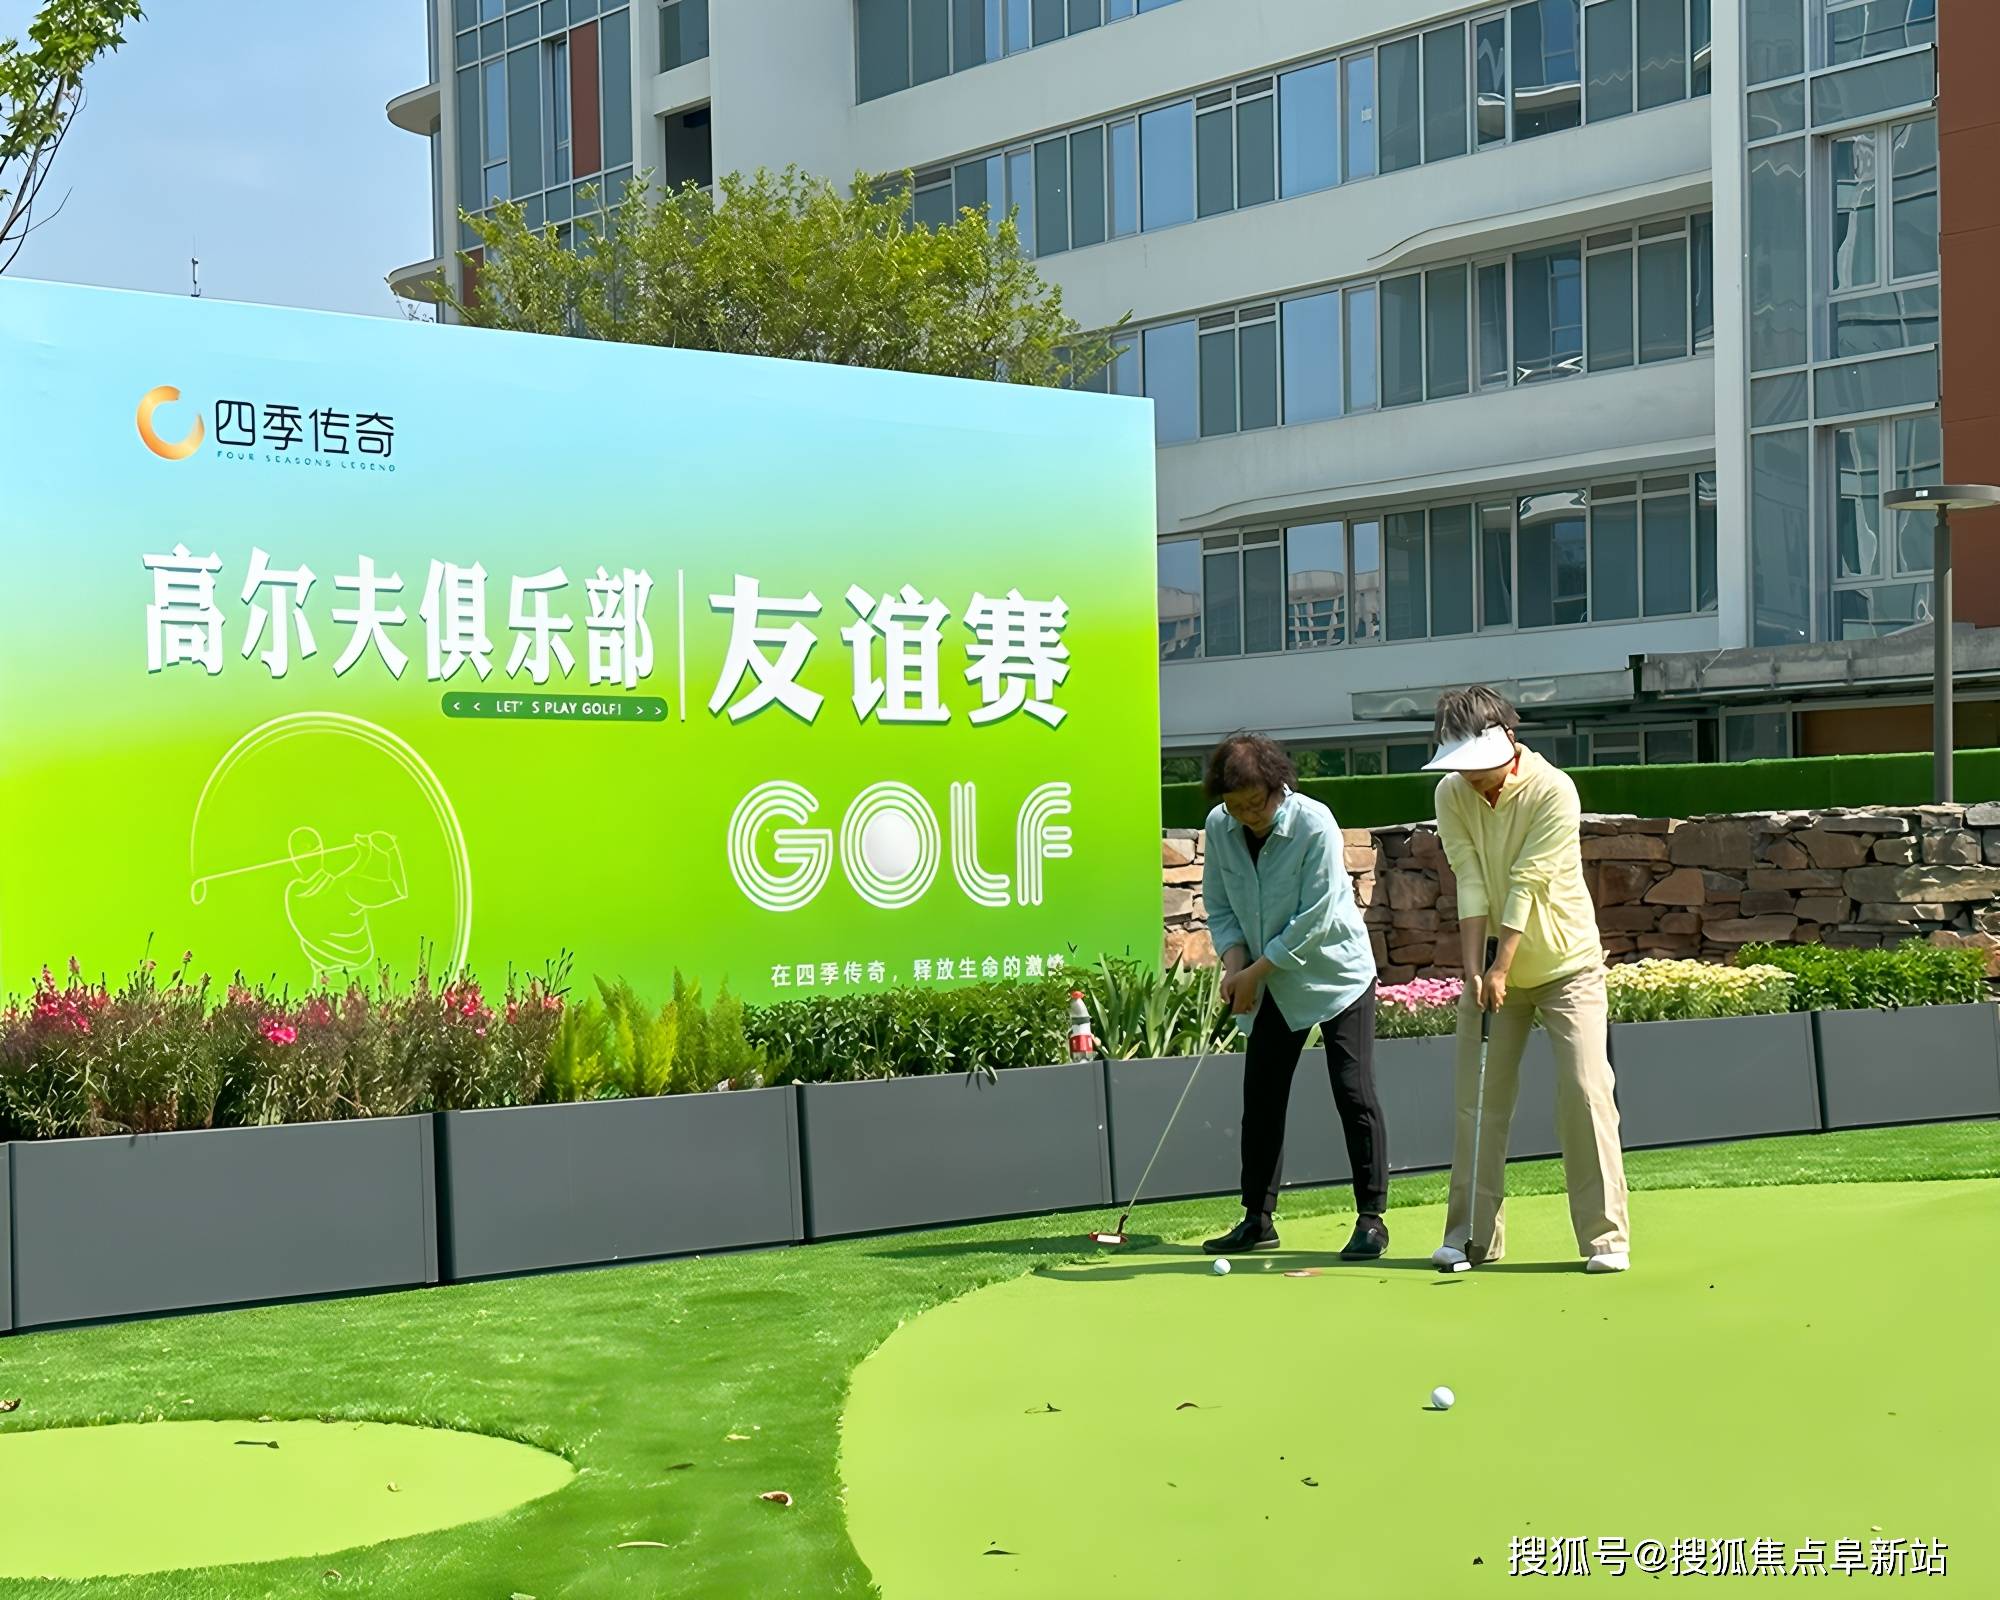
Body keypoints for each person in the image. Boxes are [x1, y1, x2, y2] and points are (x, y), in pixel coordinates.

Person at [1424, 687, 1631, 1274]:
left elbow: (1527, 881)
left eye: (1477, 764)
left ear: (1509, 740)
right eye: (1460, 765)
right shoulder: (1451, 792)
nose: (1469, 776)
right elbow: (1468, 878)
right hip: (1492, 968)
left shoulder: (1553, 789)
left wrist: (1501, 966)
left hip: (1567, 966)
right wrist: (1474, 970)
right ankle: (1470, 1238)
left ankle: (1606, 1239)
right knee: (1478, 1102)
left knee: (1586, 1092)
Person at [1198, 732, 1390, 1260]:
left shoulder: (1314, 823)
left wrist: (1254, 972)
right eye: (1236, 806)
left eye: (1255, 803)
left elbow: (1316, 919)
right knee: (1261, 1099)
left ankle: (1371, 1219)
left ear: (1278, 785)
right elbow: (1220, 905)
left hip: (1336, 976)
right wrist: (1235, 966)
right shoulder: (1220, 826)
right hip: (1270, 983)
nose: (1247, 815)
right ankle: (1257, 1220)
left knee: (1353, 1092)